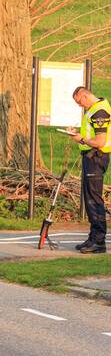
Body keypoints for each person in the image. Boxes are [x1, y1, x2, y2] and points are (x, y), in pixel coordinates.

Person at [66, 87, 111, 253]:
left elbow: (100, 141)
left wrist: (81, 139)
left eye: (79, 102)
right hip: (90, 157)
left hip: (96, 157)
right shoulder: (93, 109)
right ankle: (93, 237)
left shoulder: (99, 112)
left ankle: (99, 241)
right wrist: (77, 135)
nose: (80, 106)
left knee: (94, 200)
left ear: (84, 95)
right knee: (90, 199)